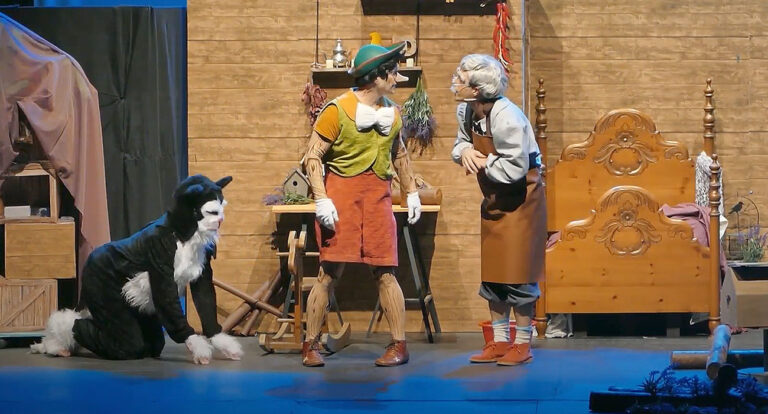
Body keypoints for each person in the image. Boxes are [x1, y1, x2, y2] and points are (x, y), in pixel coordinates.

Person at [300, 41, 422, 367]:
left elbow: (399, 154)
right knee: (328, 272)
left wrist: (411, 191)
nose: (397, 78)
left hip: (378, 199)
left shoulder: (393, 113)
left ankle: (399, 345)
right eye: (392, 72)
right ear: (376, 76)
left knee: (386, 271)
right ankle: (310, 344)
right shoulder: (336, 111)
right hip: (342, 198)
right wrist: (321, 199)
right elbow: (312, 157)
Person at [450, 54, 546, 366]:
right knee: (493, 276)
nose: (455, 81)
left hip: (521, 200)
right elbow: (459, 145)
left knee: (519, 275)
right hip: (493, 201)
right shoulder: (466, 111)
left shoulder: (508, 118)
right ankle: (500, 341)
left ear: (477, 89)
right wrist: (465, 150)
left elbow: (514, 169)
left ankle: (522, 344)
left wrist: (483, 161)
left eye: (461, 78)